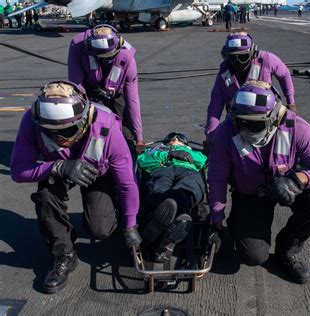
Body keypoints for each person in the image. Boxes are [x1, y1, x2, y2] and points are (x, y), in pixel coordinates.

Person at [10, 81, 141, 294]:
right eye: (50, 132)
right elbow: (18, 170)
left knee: (100, 229)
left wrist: (130, 225)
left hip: (97, 171)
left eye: (67, 130)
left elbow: (127, 182)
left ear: (83, 120)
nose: (59, 138)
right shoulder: (31, 121)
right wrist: (59, 167)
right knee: (45, 197)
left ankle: (112, 207)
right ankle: (64, 254)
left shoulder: (108, 126)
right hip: (58, 168)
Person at [208, 81, 310, 284]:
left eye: (256, 123)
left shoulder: (297, 128)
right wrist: (217, 212)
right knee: (253, 257)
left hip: (287, 185)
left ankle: (287, 250)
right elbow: (217, 175)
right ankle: (238, 222)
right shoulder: (226, 131)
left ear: (274, 117)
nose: (247, 129)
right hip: (250, 194)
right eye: (242, 122)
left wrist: (297, 180)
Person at [205, 32, 296, 145]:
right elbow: (215, 107)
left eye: (243, 57)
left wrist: (291, 102)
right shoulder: (224, 74)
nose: (238, 62)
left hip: (267, 120)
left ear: (253, 53)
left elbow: (284, 74)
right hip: (239, 123)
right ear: (226, 56)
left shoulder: (266, 60)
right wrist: (211, 136)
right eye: (233, 58)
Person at [67, 24, 144, 150]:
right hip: (88, 89)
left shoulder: (127, 58)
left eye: (109, 57)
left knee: (126, 132)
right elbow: (77, 87)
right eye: (100, 57)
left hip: (115, 91)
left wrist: (139, 138)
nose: (105, 60)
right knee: (90, 128)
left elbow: (132, 100)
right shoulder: (78, 45)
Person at [137, 132, 207, 262]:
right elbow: (143, 161)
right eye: (172, 138)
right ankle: (174, 222)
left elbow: (201, 161)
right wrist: (168, 153)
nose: (175, 139)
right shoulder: (156, 149)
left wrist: (185, 152)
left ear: (185, 144)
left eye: (179, 139)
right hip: (161, 169)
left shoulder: (191, 151)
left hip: (188, 170)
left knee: (189, 187)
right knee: (158, 188)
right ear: (165, 142)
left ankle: (156, 229)